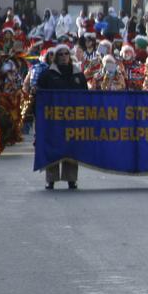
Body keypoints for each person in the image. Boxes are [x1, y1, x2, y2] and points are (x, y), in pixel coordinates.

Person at [37, 44, 88, 189]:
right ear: (55, 57)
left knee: (72, 148)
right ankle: (51, 178)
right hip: (53, 118)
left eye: (66, 53)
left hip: (73, 118)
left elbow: (85, 95)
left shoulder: (78, 74)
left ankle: (71, 179)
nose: (64, 56)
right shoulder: (47, 74)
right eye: (61, 54)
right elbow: (39, 96)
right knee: (53, 147)